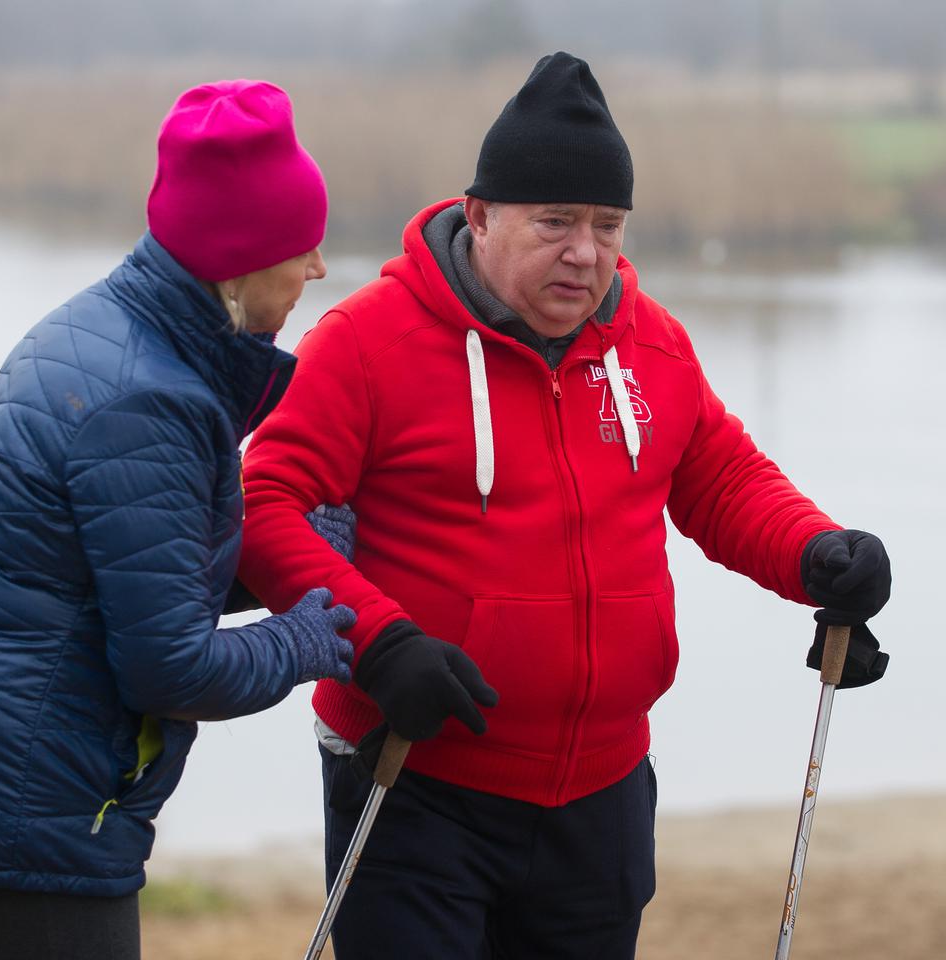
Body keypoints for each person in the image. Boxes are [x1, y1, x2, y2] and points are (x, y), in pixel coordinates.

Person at [236, 53, 892, 958]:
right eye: (555, 222)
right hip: (412, 780)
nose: (585, 253)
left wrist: (818, 552)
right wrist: (379, 644)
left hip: (602, 796)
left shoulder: (650, 342)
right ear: (480, 215)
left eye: (607, 226)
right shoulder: (363, 343)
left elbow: (723, 480)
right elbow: (263, 506)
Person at [0, 80, 358, 960]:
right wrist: (301, 640)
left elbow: (133, 574)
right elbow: (170, 666)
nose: (316, 271)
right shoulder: (147, 400)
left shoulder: (107, 336)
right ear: (237, 260)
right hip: (32, 798)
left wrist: (299, 546)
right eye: (301, 248)